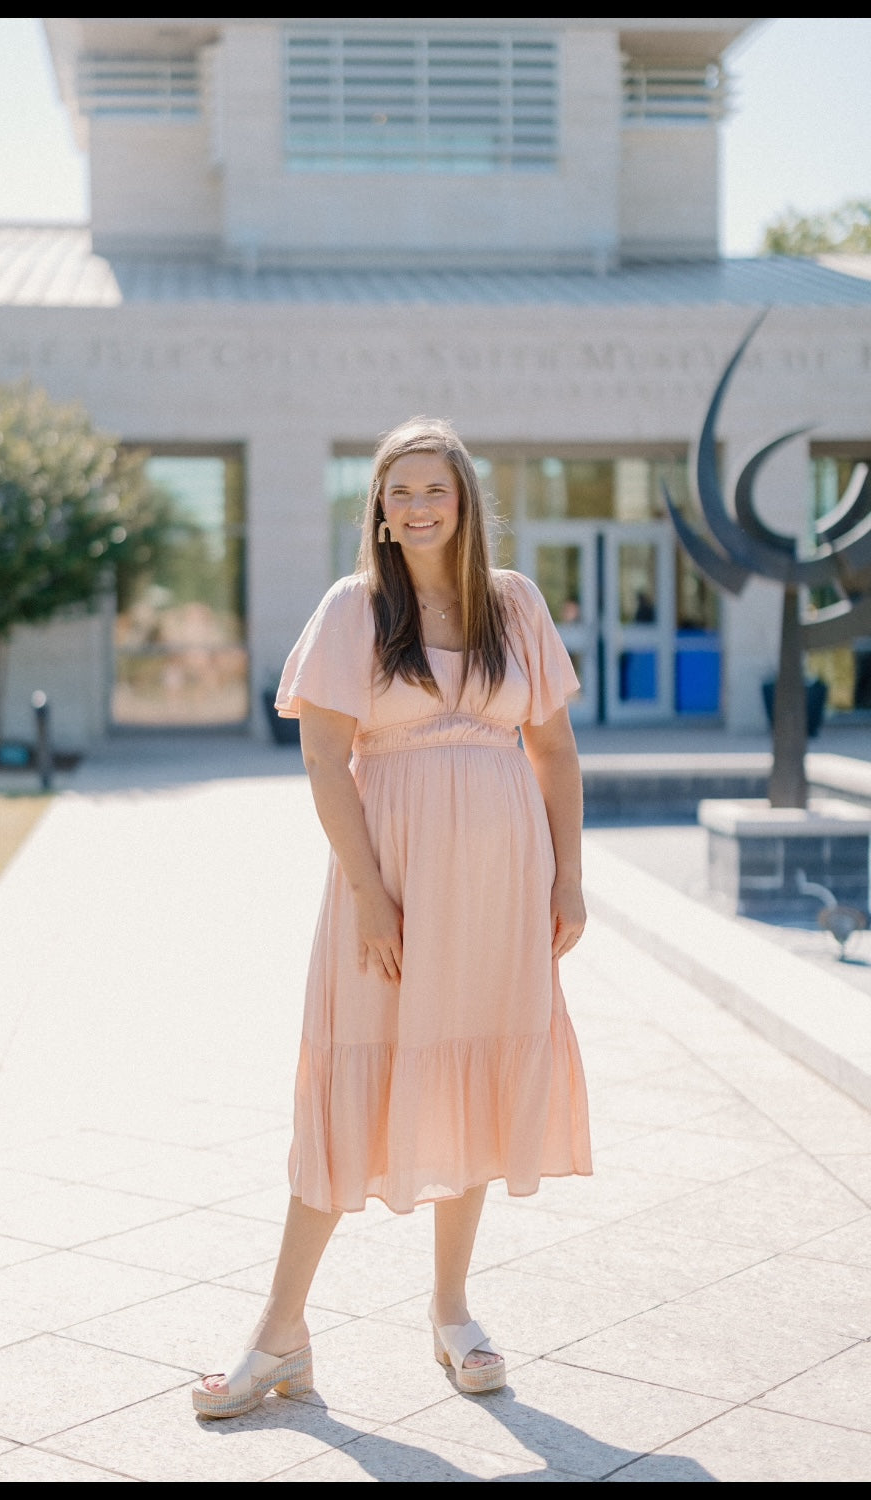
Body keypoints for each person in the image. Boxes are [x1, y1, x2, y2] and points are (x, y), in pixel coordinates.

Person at [192, 416, 591, 1420]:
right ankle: (280, 1333)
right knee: (348, 1083)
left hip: (501, 891)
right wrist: (372, 893)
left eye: (433, 490)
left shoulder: (513, 606)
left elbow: (553, 752)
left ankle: (452, 1313)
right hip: (390, 891)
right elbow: (326, 761)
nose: (414, 507)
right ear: (377, 507)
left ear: (463, 502)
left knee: (476, 1076)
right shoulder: (353, 611)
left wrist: (569, 877)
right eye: (396, 491)